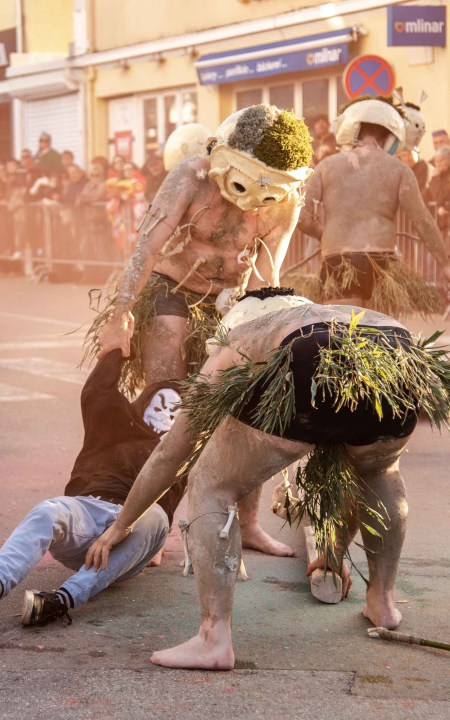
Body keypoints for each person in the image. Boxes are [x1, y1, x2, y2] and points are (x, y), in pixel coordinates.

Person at [84, 289, 450, 669]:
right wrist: (332, 549)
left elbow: (170, 453)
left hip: (307, 354)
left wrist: (121, 525)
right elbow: (348, 458)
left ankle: (213, 638)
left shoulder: (241, 336)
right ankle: (383, 601)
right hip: (400, 354)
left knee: (211, 483)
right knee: (379, 471)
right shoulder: (332, 312)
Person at [90, 104, 313, 558]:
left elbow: (268, 273)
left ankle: (248, 523)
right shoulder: (192, 177)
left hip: (231, 302)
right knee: (167, 402)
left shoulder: (285, 199)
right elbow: (148, 246)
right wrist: (120, 315)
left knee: (248, 406)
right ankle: (151, 525)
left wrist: (262, 328)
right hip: (170, 289)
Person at [0, 350, 184, 630]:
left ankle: (59, 601)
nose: (164, 417)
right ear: (140, 407)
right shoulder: (117, 426)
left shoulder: (179, 455)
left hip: (132, 536)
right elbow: (96, 391)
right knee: (48, 510)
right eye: (159, 407)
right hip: (88, 513)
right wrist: (118, 350)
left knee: (155, 515)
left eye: (174, 414)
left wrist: (151, 545)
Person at [295, 96, 450, 318]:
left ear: (353, 132)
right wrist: (445, 266)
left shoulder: (326, 166)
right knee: (378, 334)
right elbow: (423, 221)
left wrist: (323, 234)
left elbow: (302, 217)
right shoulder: (399, 169)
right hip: (382, 264)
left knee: (344, 334)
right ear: (391, 137)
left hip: (338, 261)